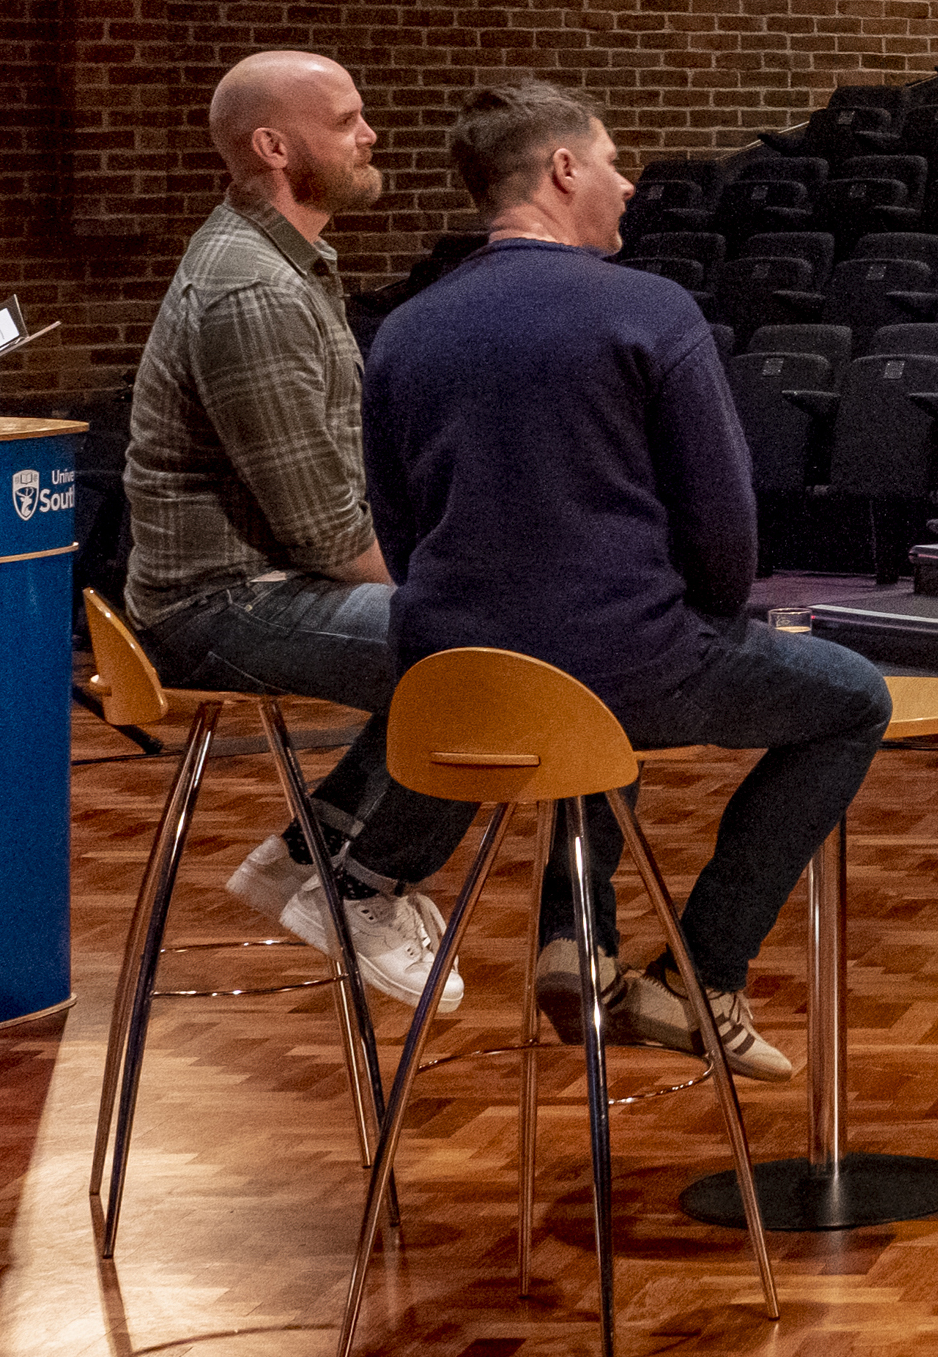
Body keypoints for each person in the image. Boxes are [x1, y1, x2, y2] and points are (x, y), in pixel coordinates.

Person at [364, 81, 894, 1079]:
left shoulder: (403, 329)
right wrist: (707, 614)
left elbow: (398, 528)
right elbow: (724, 521)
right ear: (563, 170)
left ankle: (581, 944)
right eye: (611, 161)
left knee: (585, 692)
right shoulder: (648, 307)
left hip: (453, 682)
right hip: (617, 661)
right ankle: (705, 974)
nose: (626, 182)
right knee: (853, 700)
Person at [122, 50, 474, 1013]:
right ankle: (362, 892)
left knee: (483, 623)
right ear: (275, 147)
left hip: (249, 584)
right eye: (348, 119)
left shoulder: (284, 261)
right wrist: (460, 601)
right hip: (218, 605)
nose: (371, 136)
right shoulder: (254, 292)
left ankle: (303, 856)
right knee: (494, 651)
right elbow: (322, 531)